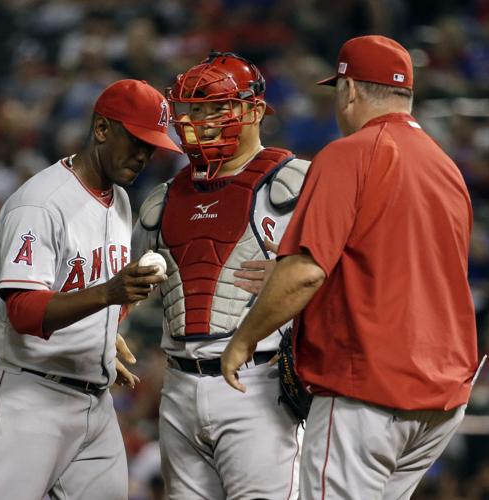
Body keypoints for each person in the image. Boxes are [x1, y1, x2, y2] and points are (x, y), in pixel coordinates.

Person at [221, 35, 481, 500]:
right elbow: (399, 269)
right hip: (440, 398)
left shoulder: (350, 153)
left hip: (369, 392)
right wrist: (290, 280)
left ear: (351, 90)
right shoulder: (446, 168)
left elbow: (306, 272)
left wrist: (243, 340)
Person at [0, 79, 181, 500]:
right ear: (102, 128)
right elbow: (24, 311)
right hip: (30, 401)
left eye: (151, 146)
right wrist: (108, 295)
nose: (144, 155)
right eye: (136, 140)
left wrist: (98, 336)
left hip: (94, 405)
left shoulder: (119, 200)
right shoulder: (41, 204)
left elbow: (81, 287)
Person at [132, 51, 310, 499]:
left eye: (217, 108)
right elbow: (134, 289)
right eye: (195, 109)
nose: (203, 121)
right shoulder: (160, 200)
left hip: (260, 379)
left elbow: (348, 272)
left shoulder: (297, 182)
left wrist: (294, 274)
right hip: (178, 385)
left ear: (253, 111)